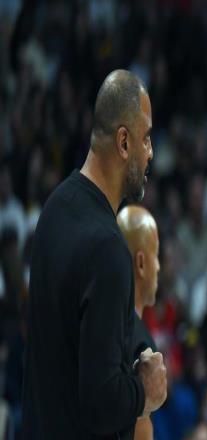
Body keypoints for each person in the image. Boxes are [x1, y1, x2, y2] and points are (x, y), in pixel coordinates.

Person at [21, 70, 167, 439]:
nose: (151, 152)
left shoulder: (54, 209)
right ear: (123, 142)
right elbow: (101, 402)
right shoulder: (108, 250)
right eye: (146, 138)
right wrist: (144, 392)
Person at [117, 204, 160, 440]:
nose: (159, 267)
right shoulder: (140, 342)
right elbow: (140, 429)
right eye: (156, 254)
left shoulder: (109, 325)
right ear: (141, 263)